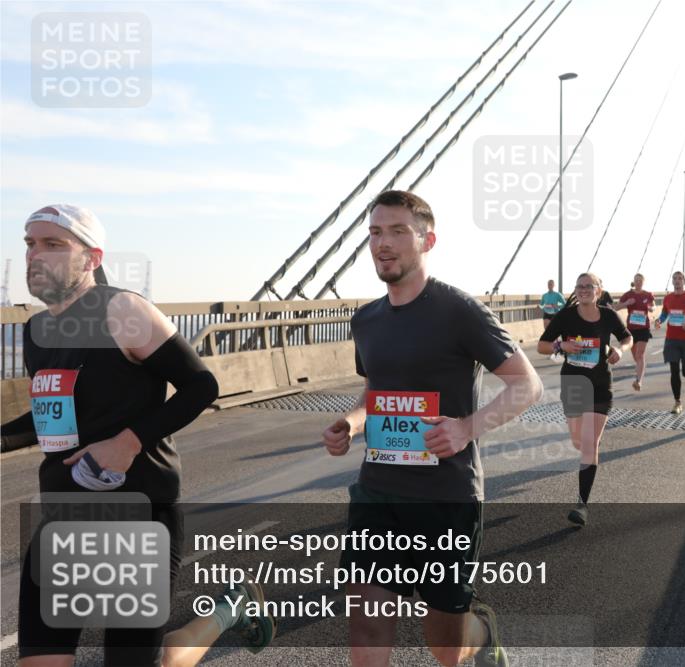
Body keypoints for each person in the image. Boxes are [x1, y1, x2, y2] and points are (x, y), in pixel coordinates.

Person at [2, 205, 273, 667]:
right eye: (30, 243)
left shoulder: (120, 309)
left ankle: (229, 611)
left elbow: (200, 386)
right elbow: (55, 417)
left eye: (53, 244)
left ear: (91, 258)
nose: (35, 255)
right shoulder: (38, 329)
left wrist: (127, 443)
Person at [321, 190, 543, 667]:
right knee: (366, 624)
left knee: (445, 645)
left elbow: (528, 385)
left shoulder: (458, 310)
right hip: (377, 491)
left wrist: (467, 427)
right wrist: (352, 423)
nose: (384, 243)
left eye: (398, 231)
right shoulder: (366, 320)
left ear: (428, 240)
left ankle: (481, 632)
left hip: (446, 496)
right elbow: (374, 391)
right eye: (376, 232)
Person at [538, 272, 631, 527]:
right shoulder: (566, 316)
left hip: (601, 385)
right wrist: (561, 347)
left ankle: (582, 504)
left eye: (589, 286)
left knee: (589, 444)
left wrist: (620, 350)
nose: (583, 290)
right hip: (573, 385)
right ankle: (586, 460)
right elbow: (542, 345)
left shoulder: (609, 316)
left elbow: (626, 337)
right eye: (579, 286)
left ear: (599, 291)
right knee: (579, 442)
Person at [654, 271, 685, 414]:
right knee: (674, 370)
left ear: (684, 281)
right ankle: (677, 402)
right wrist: (659, 320)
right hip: (671, 339)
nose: (677, 281)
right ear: (672, 281)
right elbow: (664, 314)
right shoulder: (668, 298)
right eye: (675, 279)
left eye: (680, 278)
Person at [615, 273, 656, 391]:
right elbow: (616, 307)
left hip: (644, 328)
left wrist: (650, 308)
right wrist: (627, 303)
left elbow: (653, 306)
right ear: (634, 281)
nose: (638, 282)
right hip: (631, 329)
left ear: (643, 282)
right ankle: (639, 372)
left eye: (640, 281)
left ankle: (639, 381)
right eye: (636, 280)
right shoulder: (628, 294)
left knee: (640, 354)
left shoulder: (648, 295)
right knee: (636, 357)